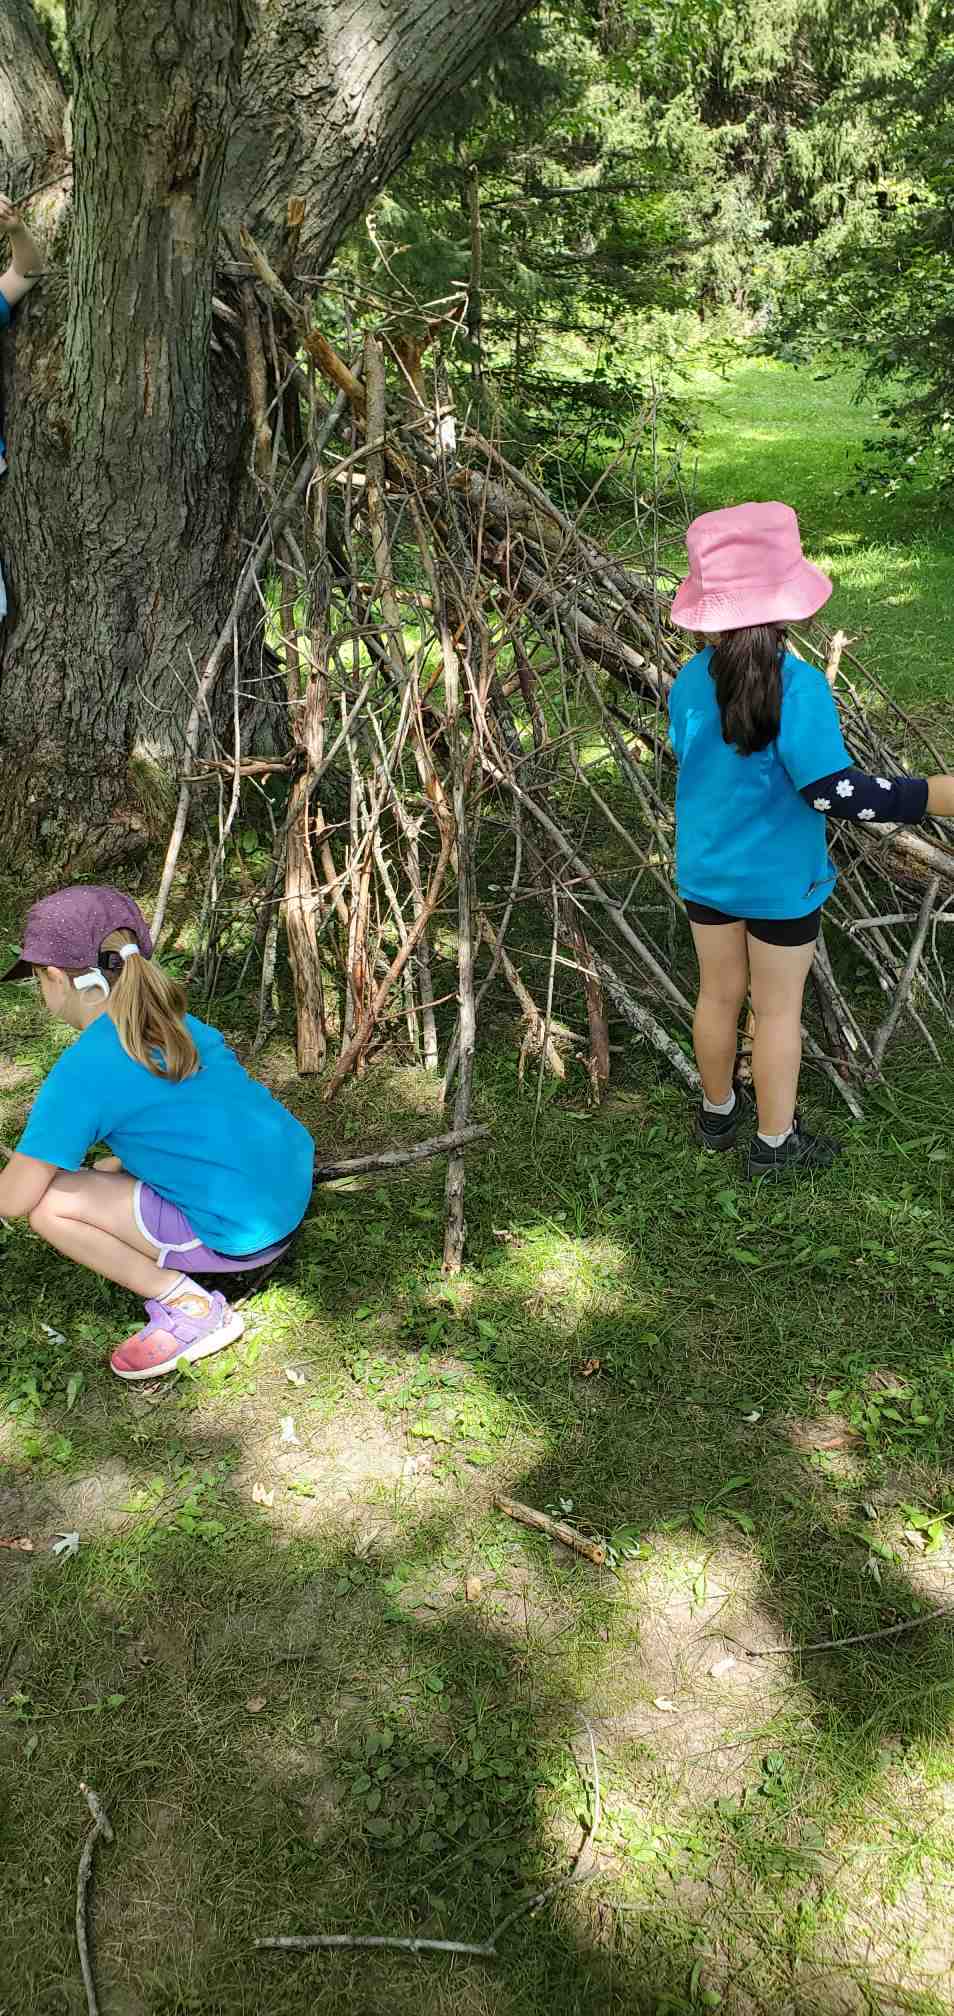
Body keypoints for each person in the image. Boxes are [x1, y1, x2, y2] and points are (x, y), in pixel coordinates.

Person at [668, 500, 954, 1180]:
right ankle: (773, 1145)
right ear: (786, 602)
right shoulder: (795, 686)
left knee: (716, 995)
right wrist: (933, 795)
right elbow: (832, 792)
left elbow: (688, 754)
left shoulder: (686, 680)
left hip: (706, 869)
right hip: (780, 882)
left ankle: (716, 1113)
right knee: (776, 1011)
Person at [0, 886, 315, 1379]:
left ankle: (190, 1306)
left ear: (56, 979)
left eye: (38, 980)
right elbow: (191, 1116)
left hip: (240, 1233)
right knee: (103, 1168)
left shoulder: (84, 1070)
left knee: (48, 1204)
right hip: (287, 1193)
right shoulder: (175, 1022)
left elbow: (13, 1201)